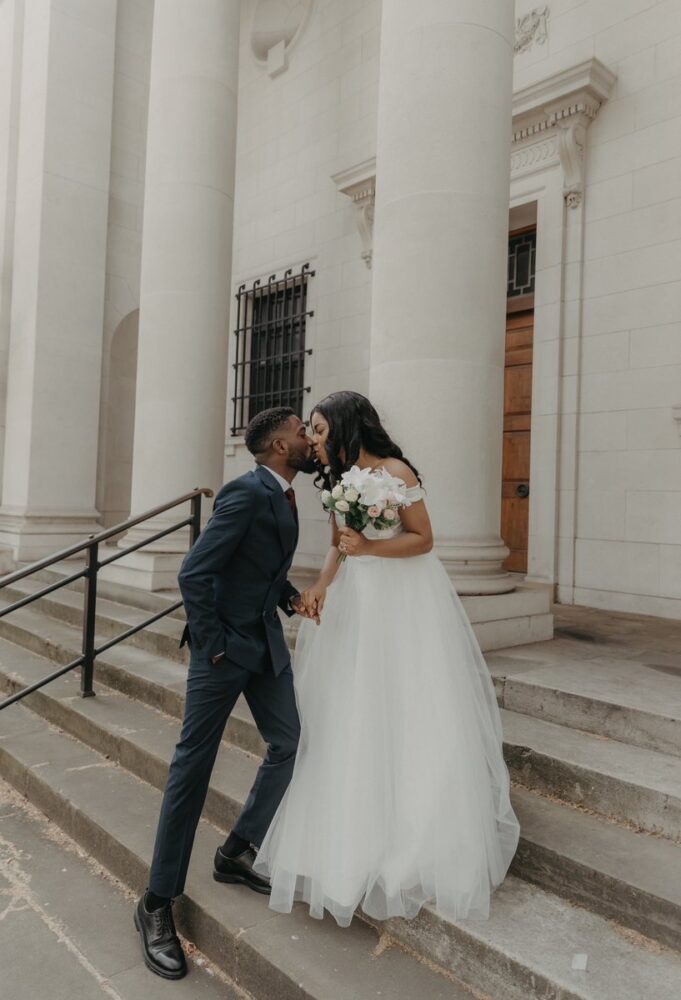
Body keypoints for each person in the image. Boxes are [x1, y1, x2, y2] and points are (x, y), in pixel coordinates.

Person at [255, 391, 520, 928]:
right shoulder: (335, 481)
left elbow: (423, 540)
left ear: (350, 427)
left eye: (323, 430)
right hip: (359, 603)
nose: (316, 440)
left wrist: (370, 550)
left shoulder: (395, 470)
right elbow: (338, 543)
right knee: (354, 710)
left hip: (404, 599)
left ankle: (419, 832)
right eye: (312, 431)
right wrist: (323, 586)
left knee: (410, 702)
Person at [135, 407, 316, 980]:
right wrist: (213, 646)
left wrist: (290, 598)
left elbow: (256, 565)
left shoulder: (284, 492)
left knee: (288, 742)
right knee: (193, 769)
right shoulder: (243, 493)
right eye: (302, 433)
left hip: (265, 647)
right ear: (280, 445)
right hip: (225, 653)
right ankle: (157, 902)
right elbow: (196, 572)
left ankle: (236, 849)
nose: (310, 440)